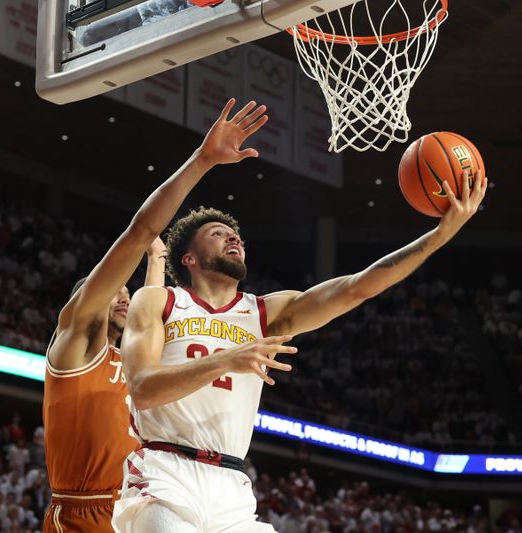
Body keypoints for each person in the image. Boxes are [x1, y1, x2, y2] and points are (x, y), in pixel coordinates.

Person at [112, 168, 487, 531]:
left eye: (236, 236)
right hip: (165, 471)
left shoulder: (263, 312)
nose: (234, 239)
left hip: (231, 486)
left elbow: (358, 287)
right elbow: (143, 390)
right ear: (188, 259)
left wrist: (439, 235)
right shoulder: (158, 299)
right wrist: (227, 359)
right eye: (217, 234)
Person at [42, 99, 268, 533]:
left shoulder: (143, 357)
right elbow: (136, 237)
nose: (124, 299)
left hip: (145, 497)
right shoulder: (76, 346)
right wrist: (202, 161)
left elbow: (155, 305)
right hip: (83, 511)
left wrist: (160, 257)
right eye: (115, 295)